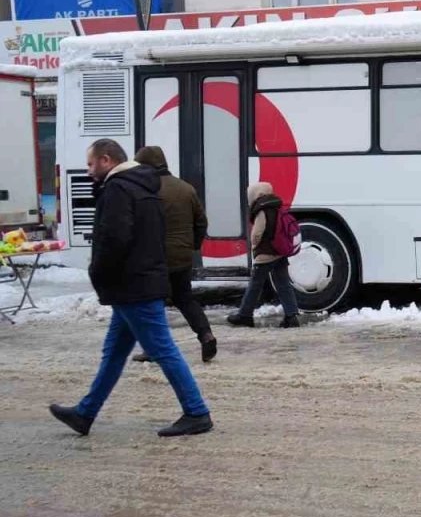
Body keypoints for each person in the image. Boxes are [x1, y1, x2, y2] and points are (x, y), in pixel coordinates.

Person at [48, 139, 213, 437]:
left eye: (90, 164)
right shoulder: (144, 188)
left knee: (163, 349)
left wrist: (97, 272)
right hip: (140, 280)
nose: (88, 171)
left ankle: (197, 412)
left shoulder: (118, 190)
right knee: (114, 352)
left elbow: (114, 240)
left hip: (132, 284)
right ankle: (85, 413)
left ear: (106, 160)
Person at [130, 146, 217, 363]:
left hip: (155, 258)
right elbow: (201, 221)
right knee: (185, 298)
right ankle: (206, 335)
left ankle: (153, 349)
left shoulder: (145, 190)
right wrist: (193, 245)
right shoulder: (186, 189)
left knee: (152, 302)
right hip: (182, 256)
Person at [226, 181, 300, 328]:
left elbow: (257, 232)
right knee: (283, 284)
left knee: (255, 284)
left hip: (265, 253)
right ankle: (292, 316)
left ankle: (245, 315)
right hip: (279, 252)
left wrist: (254, 245)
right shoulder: (278, 207)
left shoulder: (262, 210)